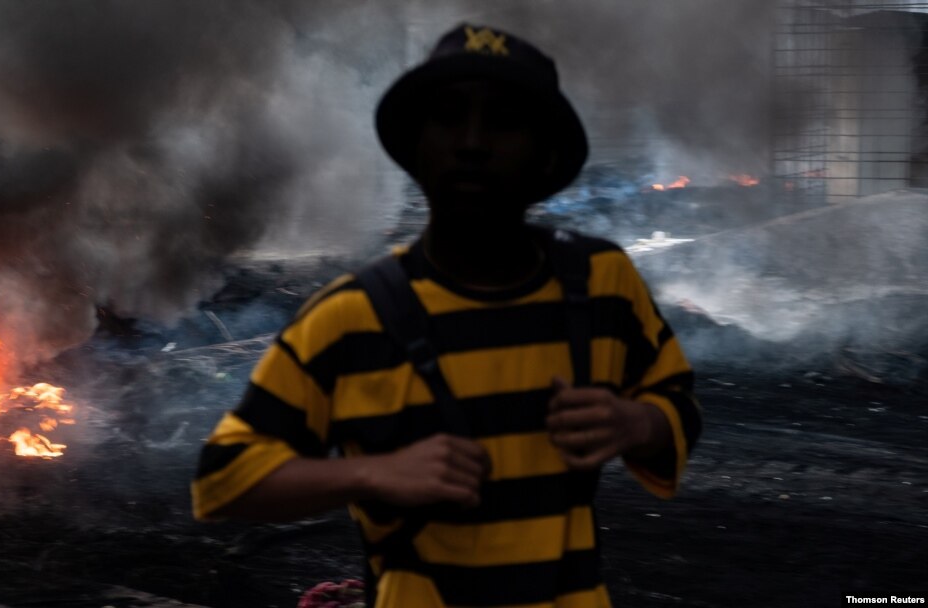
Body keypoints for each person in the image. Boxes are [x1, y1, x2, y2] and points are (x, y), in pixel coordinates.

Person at [192, 23, 701, 608]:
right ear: (415, 146)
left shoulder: (602, 284)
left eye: (504, 121)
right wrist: (372, 474)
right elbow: (224, 476)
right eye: (448, 117)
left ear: (546, 155)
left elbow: (679, 406)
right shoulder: (351, 317)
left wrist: (636, 424)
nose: (472, 142)